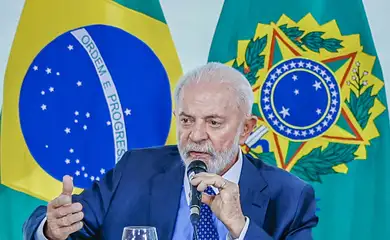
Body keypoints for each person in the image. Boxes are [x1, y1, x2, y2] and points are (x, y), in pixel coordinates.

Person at [23, 62, 319, 240]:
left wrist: (240, 228)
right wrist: (51, 228)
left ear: (246, 128)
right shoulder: (135, 170)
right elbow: (62, 223)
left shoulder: (290, 197)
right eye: (187, 120)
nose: (196, 136)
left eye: (214, 123)